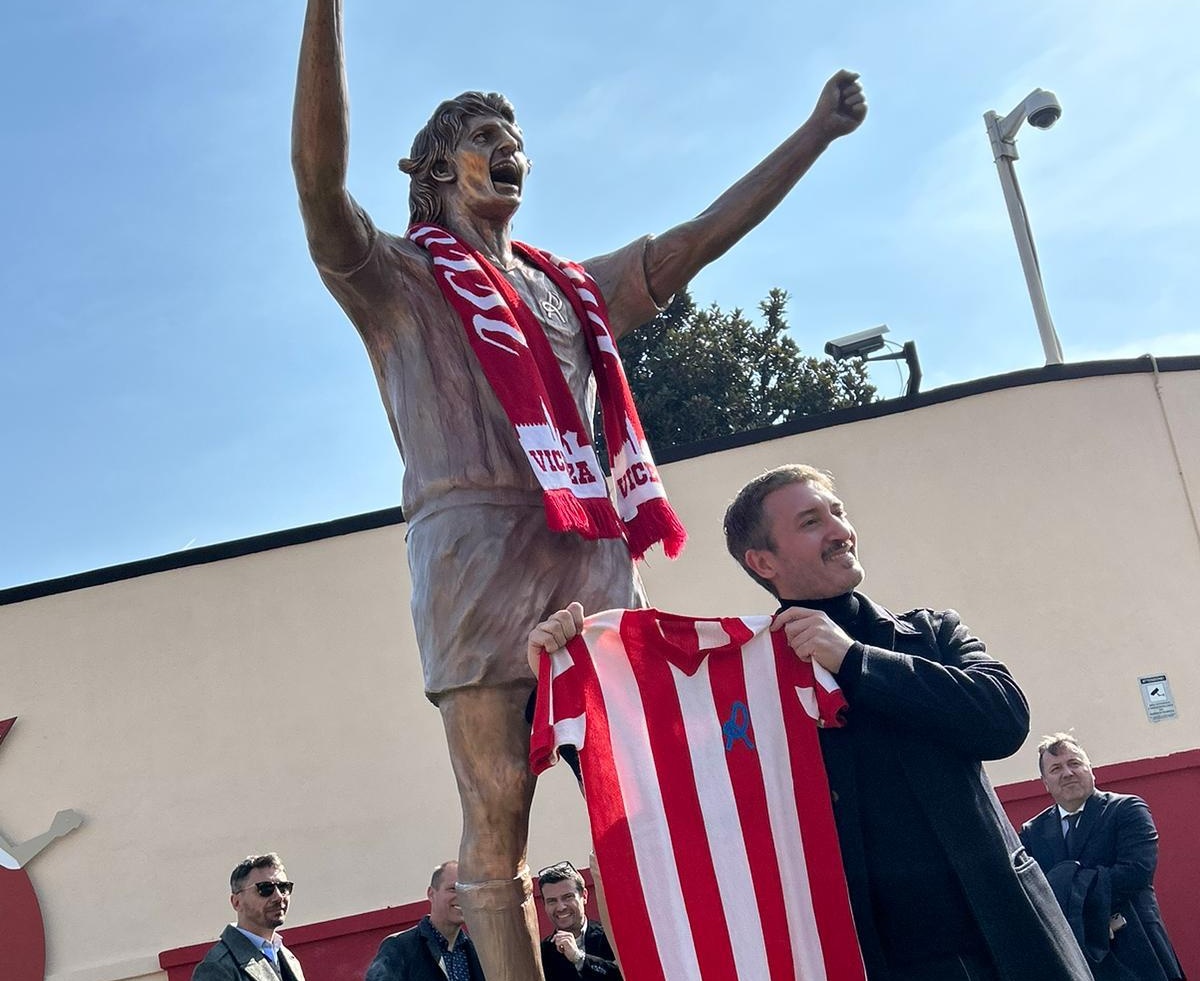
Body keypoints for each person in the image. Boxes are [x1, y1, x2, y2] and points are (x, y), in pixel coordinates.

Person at [293, 3, 867, 978]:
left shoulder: (572, 289)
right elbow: (319, 175)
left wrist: (814, 133)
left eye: (514, 141)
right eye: (482, 140)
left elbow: (695, 242)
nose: (506, 151)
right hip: (471, 552)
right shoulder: (396, 279)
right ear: (437, 171)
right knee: (496, 810)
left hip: (590, 552)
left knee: (642, 792)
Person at [530, 464, 1092, 981]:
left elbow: (1003, 720)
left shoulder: (930, 633)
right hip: (872, 959)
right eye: (811, 520)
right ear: (764, 562)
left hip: (1008, 941)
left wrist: (854, 660)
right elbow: (659, 783)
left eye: (838, 512)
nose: (839, 529)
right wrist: (556, 677)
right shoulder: (751, 682)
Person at [1020, 733, 1184, 981]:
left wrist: (1064, 881)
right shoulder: (1033, 833)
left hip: (1134, 945)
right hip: (1074, 957)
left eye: (1074, 763)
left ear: (1090, 769)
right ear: (1045, 782)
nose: (1067, 773)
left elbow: (1136, 873)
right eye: (1056, 768)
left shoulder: (1127, 809)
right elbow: (1031, 894)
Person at [191, 854, 305, 981]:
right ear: (237, 902)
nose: (278, 896)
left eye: (283, 887)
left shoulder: (288, 958)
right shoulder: (217, 968)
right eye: (265, 888)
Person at [366, 860, 485, 981]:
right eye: (453, 889)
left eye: (467, 891)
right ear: (431, 893)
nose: (461, 896)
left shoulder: (479, 953)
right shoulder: (399, 947)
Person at [537, 862, 621, 980]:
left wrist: (579, 958)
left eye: (568, 897)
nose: (561, 907)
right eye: (552, 901)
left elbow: (623, 976)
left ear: (584, 896)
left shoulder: (611, 938)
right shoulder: (541, 954)